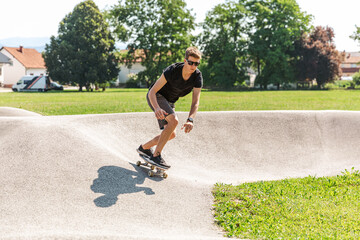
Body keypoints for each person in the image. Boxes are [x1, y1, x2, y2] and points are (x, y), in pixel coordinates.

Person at [137, 46, 203, 169]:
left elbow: (195, 102)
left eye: (196, 64)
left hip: (169, 101)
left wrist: (190, 119)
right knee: (174, 121)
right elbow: (152, 92)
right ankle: (156, 155)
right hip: (157, 96)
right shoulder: (172, 70)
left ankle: (144, 148)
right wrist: (156, 108)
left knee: (171, 134)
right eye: (190, 63)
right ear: (185, 61)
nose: (193, 66)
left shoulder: (197, 77)